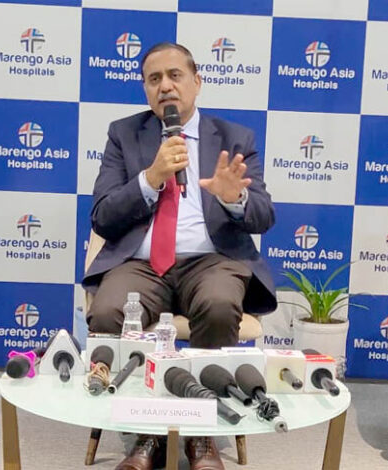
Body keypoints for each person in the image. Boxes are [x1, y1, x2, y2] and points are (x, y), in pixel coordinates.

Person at [82, 42, 276, 470]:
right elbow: (102, 216)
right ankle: (145, 435)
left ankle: (201, 434)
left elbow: (264, 215)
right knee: (108, 311)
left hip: (211, 260)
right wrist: (150, 178)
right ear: (145, 89)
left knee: (220, 305)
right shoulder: (124, 134)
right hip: (141, 265)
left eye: (175, 76)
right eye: (154, 79)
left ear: (197, 82)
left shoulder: (234, 138)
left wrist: (235, 198)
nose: (165, 86)